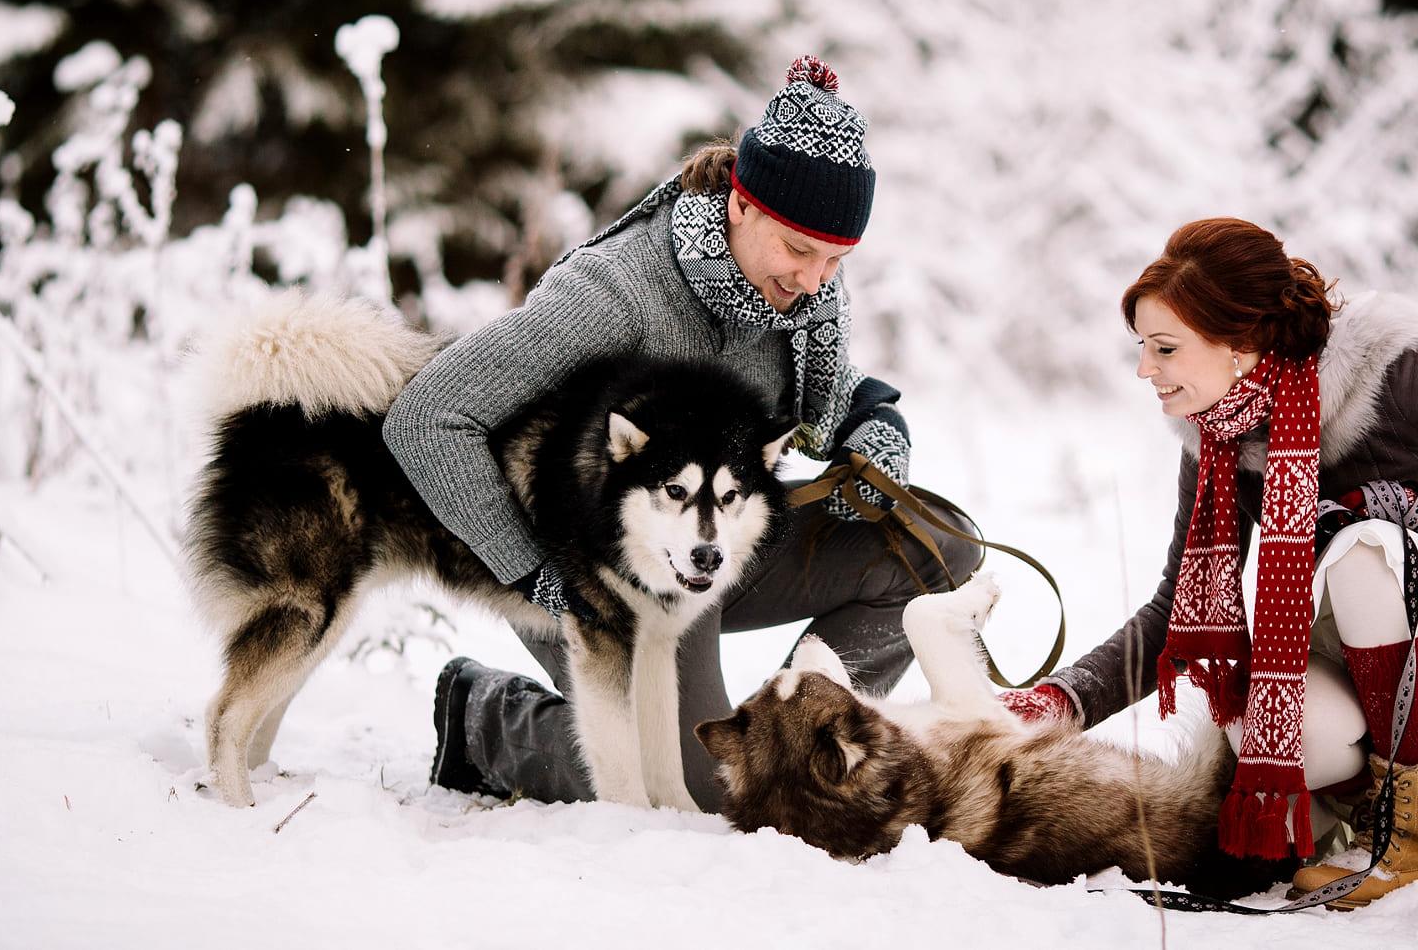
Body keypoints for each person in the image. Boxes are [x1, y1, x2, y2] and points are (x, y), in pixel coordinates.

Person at [385, 56, 979, 812]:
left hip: (715, 536)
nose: (816, 280)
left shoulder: (801, 299)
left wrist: (873, 431)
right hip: (597, 565)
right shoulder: (615, 292)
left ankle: (799, 731)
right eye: (800, 250)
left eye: (837, 260)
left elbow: (831, 399)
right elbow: (429, 416)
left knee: (937, 545)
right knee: (707, 792)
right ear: (740, 203)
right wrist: (529, 569)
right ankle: (486, 723)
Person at [999, 217, 1418, 908]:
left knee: (1365, 546)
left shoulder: (1393, 378)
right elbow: (1172, 611)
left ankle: (1416, 842)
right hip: (1364, 655)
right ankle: (1373, 815)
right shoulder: (1218, 442)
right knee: (1255, 711)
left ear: (1239, 343)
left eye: (1165, 348)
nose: (1144, 369)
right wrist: (1059, 700)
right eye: (1142, 348)